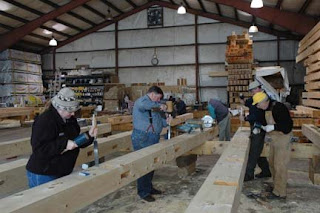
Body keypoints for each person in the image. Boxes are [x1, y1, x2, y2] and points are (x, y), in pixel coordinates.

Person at [26, 87, 97, 188]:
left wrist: (89, 135)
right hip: (44, 173)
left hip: (61, 170)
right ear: (60, 108)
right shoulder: (45, 121)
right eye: (70, 111)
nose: (73, 114)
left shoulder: (70, 120)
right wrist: (64, 144)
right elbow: (39, 149)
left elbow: (75, 142)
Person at [131, 86, 170, 202]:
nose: (158, 101)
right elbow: (146, 106)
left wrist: (165, 122)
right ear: (152, 94)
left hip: (153, 136)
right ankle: (143, 192)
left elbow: (157, 118)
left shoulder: (154, 105)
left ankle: (148, 188)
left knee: (151, 163)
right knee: (144, 164)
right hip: (143, 137)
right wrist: (160, 106)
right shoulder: (142, 101)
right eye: (158, 98)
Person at [252, 91, 293, 199]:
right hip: (274, 140)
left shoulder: (279, 108)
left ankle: (280, 192)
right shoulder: (266, 109)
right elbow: (263, 121)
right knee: (272, 163)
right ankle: (276, 186)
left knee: (280, 165)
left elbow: (287, 126)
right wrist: (260, 127)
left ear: (264, 102)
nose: (257, 106)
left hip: (283, 139)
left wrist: (274, 127)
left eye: (258, 104)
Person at [241, 81, 271, 181]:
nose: (252, 92)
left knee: (254, 151)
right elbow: (248, 103)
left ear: (259, 88)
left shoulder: (263, 98)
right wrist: (242, 99)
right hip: (255, 127)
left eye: (253, 90)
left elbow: (257, 115)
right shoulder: (255, 97)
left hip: (259, 127)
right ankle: (266, 171)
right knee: (258, 150)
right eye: (251, 90)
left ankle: (249, 174)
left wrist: (246, 118)